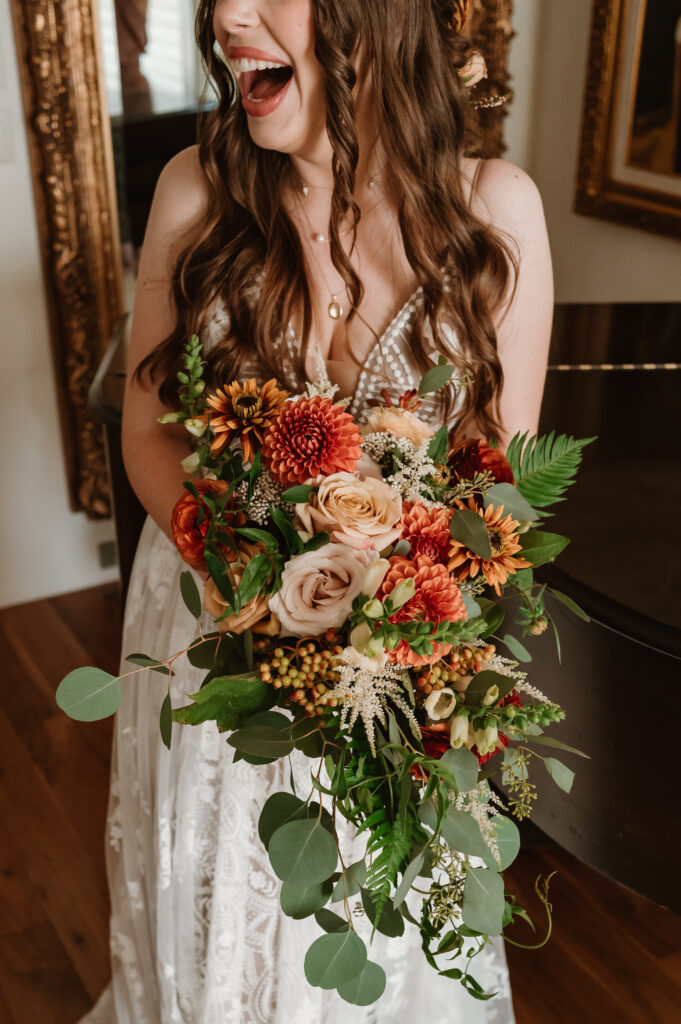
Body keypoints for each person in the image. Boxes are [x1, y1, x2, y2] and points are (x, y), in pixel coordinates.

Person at [82, 0, 553, 1020]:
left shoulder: (496, 214)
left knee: (369, 927)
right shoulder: (195, 191)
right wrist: (245, 577)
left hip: (388, 677)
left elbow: (491, 497)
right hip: (216, 637)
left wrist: (386, 639)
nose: (225, 19)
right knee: (221, 911)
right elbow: (148, 428)